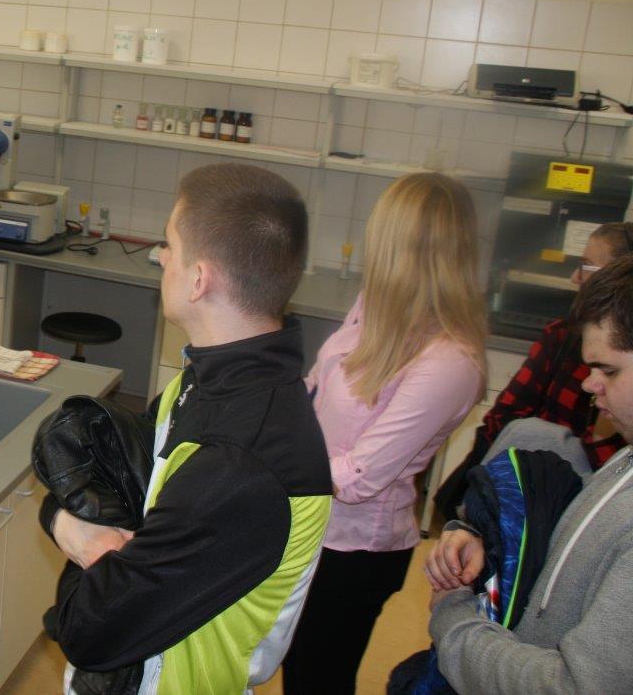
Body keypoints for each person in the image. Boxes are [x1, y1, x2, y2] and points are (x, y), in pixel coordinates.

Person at [40, 162, 332, 694]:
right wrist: (69, 520)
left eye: (169, 245)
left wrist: (73, 527)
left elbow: (90, 629)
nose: (160, 257)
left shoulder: (241, 459)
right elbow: (112, 476)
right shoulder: (208, 381)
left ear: (199, 279)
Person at [283, 173, 487, 695]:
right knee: (293, 663)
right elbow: (318, 385)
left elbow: (358, 478)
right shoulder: (374, 305)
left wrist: (274, 460)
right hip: (310, 524)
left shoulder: (450, 362)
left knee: (318, 679)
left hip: (355, 552)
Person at [424, 255, 633, 694]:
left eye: (609, 370)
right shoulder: (625, 458)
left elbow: (574, 686)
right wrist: (488, 540)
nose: (589, 383)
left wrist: (454, 619)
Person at [435, 222, 632, 521]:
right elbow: (503, 418)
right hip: (532, 506)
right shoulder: (561, 337)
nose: (575, 277)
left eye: (586, 266)